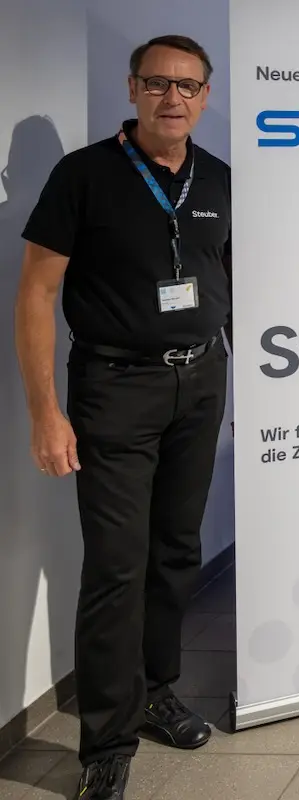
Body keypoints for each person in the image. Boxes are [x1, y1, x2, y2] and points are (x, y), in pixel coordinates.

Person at [14, 34, 232, 799]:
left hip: (200, 382)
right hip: (114, 388)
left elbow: (223, 276)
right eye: (157, 83)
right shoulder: (83, 176)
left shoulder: (219, 179)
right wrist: (46, 412)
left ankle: (155, 691)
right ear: (133, 88)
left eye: (187, 85)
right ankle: (105, 743)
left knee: (176, 550)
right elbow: (37, 292)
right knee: (116, 565)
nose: (173, 98)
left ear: (205, 95)